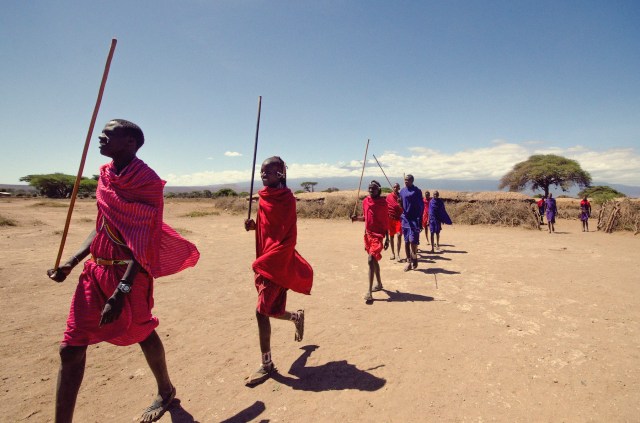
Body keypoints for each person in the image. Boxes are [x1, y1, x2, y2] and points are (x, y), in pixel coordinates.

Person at [47, 119, 200, 423]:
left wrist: (122, 291)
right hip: (95, 273)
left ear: (130, 142)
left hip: (131, 275)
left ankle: (165, 390)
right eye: (101, 134)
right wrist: (72, 261)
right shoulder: (106, 177)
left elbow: (144, 242)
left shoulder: (146, 183)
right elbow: (102, 226)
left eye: (108, 135)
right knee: (70, 347)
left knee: (143, 331)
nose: (100, 139)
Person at [244, 156, 313, 386]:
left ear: (281, 173)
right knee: (271, 309)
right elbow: (267, 226)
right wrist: (253, 225)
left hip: (277, 260)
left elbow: (287, 236)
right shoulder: (263, 198)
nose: (263, 176)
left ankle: (266, 365)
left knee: (261, 311)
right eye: (261, 172)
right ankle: (296, 316)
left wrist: (270, 259)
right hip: (266, 256)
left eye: (268, 172)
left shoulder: (287, 200)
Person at [352, 180, 390, 302]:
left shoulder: (383, 203)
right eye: (369, 188)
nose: (370, 190)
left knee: (370, 259)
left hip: (378, 236)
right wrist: (356, 218)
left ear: (378, 190)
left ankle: (369, 291)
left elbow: (386, 221)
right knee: (373, 261)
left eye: (373, 188)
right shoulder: (365, 202)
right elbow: (366, 217)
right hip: (368, 235)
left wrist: (387, 238)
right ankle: (379, 284)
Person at [399, 174, 423, 271]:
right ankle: (409, 262)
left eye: (408, 180)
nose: (406, 181)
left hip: (414, 219)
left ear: (412, 181)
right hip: (405, 219)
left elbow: (421, 206)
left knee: (413, 241)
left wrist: (419, 219)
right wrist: (399, 202)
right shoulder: (402, 191)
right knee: (406, 241)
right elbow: (401, 204)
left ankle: (415, 257)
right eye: (405, 180)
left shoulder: (417, 191)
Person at [385, 182, 403, 261]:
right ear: (393, 188)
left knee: (399, 235)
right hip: (390, 218)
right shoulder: (389, 197)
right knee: (391, 236)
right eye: (394, 187)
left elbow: (404, 207)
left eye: (397, 187)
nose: (395, 188)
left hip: (399, 218)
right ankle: (393, 253)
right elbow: (386, 207)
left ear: (399, 188)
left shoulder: (401, 197)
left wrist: (400, 203)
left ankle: (398, 254)